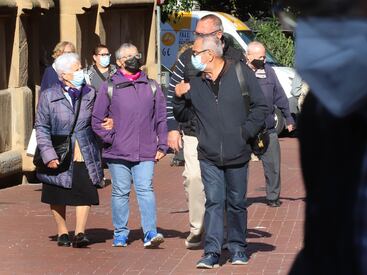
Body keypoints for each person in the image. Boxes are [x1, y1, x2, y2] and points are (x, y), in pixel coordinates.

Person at [285, 0, 367, 274]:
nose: (326, 26)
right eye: (314, 9)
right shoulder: (325, 109)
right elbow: (324, 247)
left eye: (341, 6)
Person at [173, 35, 268, 268]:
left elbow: (261, 107)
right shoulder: (195, 80)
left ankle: (237, 248)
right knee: (214, 202)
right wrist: (178, 98)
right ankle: (212, 252)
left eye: (194, 53)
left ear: (209, 54)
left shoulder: (240, 73)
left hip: (238, 152)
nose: (191, 58)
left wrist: (244, 133)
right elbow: (184, 116)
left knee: (236, 202)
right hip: (208, 153)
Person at [166, 13, 245, 249]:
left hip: (227, 132)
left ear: (217, 35)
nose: (195, 38)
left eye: (201, 34)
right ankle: (198, 228)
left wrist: (247, 129)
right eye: (196, 33)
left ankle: (223, 232)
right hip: (193, 129)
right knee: (194, 178)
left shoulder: (236, 58)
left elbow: (248, 95)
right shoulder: (187, 58)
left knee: (225, 186)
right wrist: (172, 128)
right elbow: (173, 91)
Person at [92, 43, 168, 248]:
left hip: (145, 149)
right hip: (118, 150)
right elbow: (97, 119)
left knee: (145, 189)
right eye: (128, 56)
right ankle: (120, 233)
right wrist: (110, 138)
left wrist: (162, 145)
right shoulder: (109, 86)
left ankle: (150, 232)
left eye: (136, 54)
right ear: (119, 62)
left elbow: (161, 117)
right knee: (120, 191)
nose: (134, 58)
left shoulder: (152, 86)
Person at [35, 53, 104, 248]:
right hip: (58, 148)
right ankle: (62, 231)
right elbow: (41, 127)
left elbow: (98, 119)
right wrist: (48, 154)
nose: (81, 72)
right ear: (64, 74)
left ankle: (81, 232)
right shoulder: (49, 96)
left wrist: (106, 124)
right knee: (57, 192)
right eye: (76, 69)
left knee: (85, 190)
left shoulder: (90, 93)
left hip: (83, 148)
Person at [245, 41, 295, 207]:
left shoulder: (269, 72)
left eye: (264, 57)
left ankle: (273, 196)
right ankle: (237, 197)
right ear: (248, 56)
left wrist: (288, 118)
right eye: (260, 57)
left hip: (267, 127)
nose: (263, 60)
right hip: (245, 128)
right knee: (239, 166)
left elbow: (280, 95)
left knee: (273, 165)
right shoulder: (240, 73)